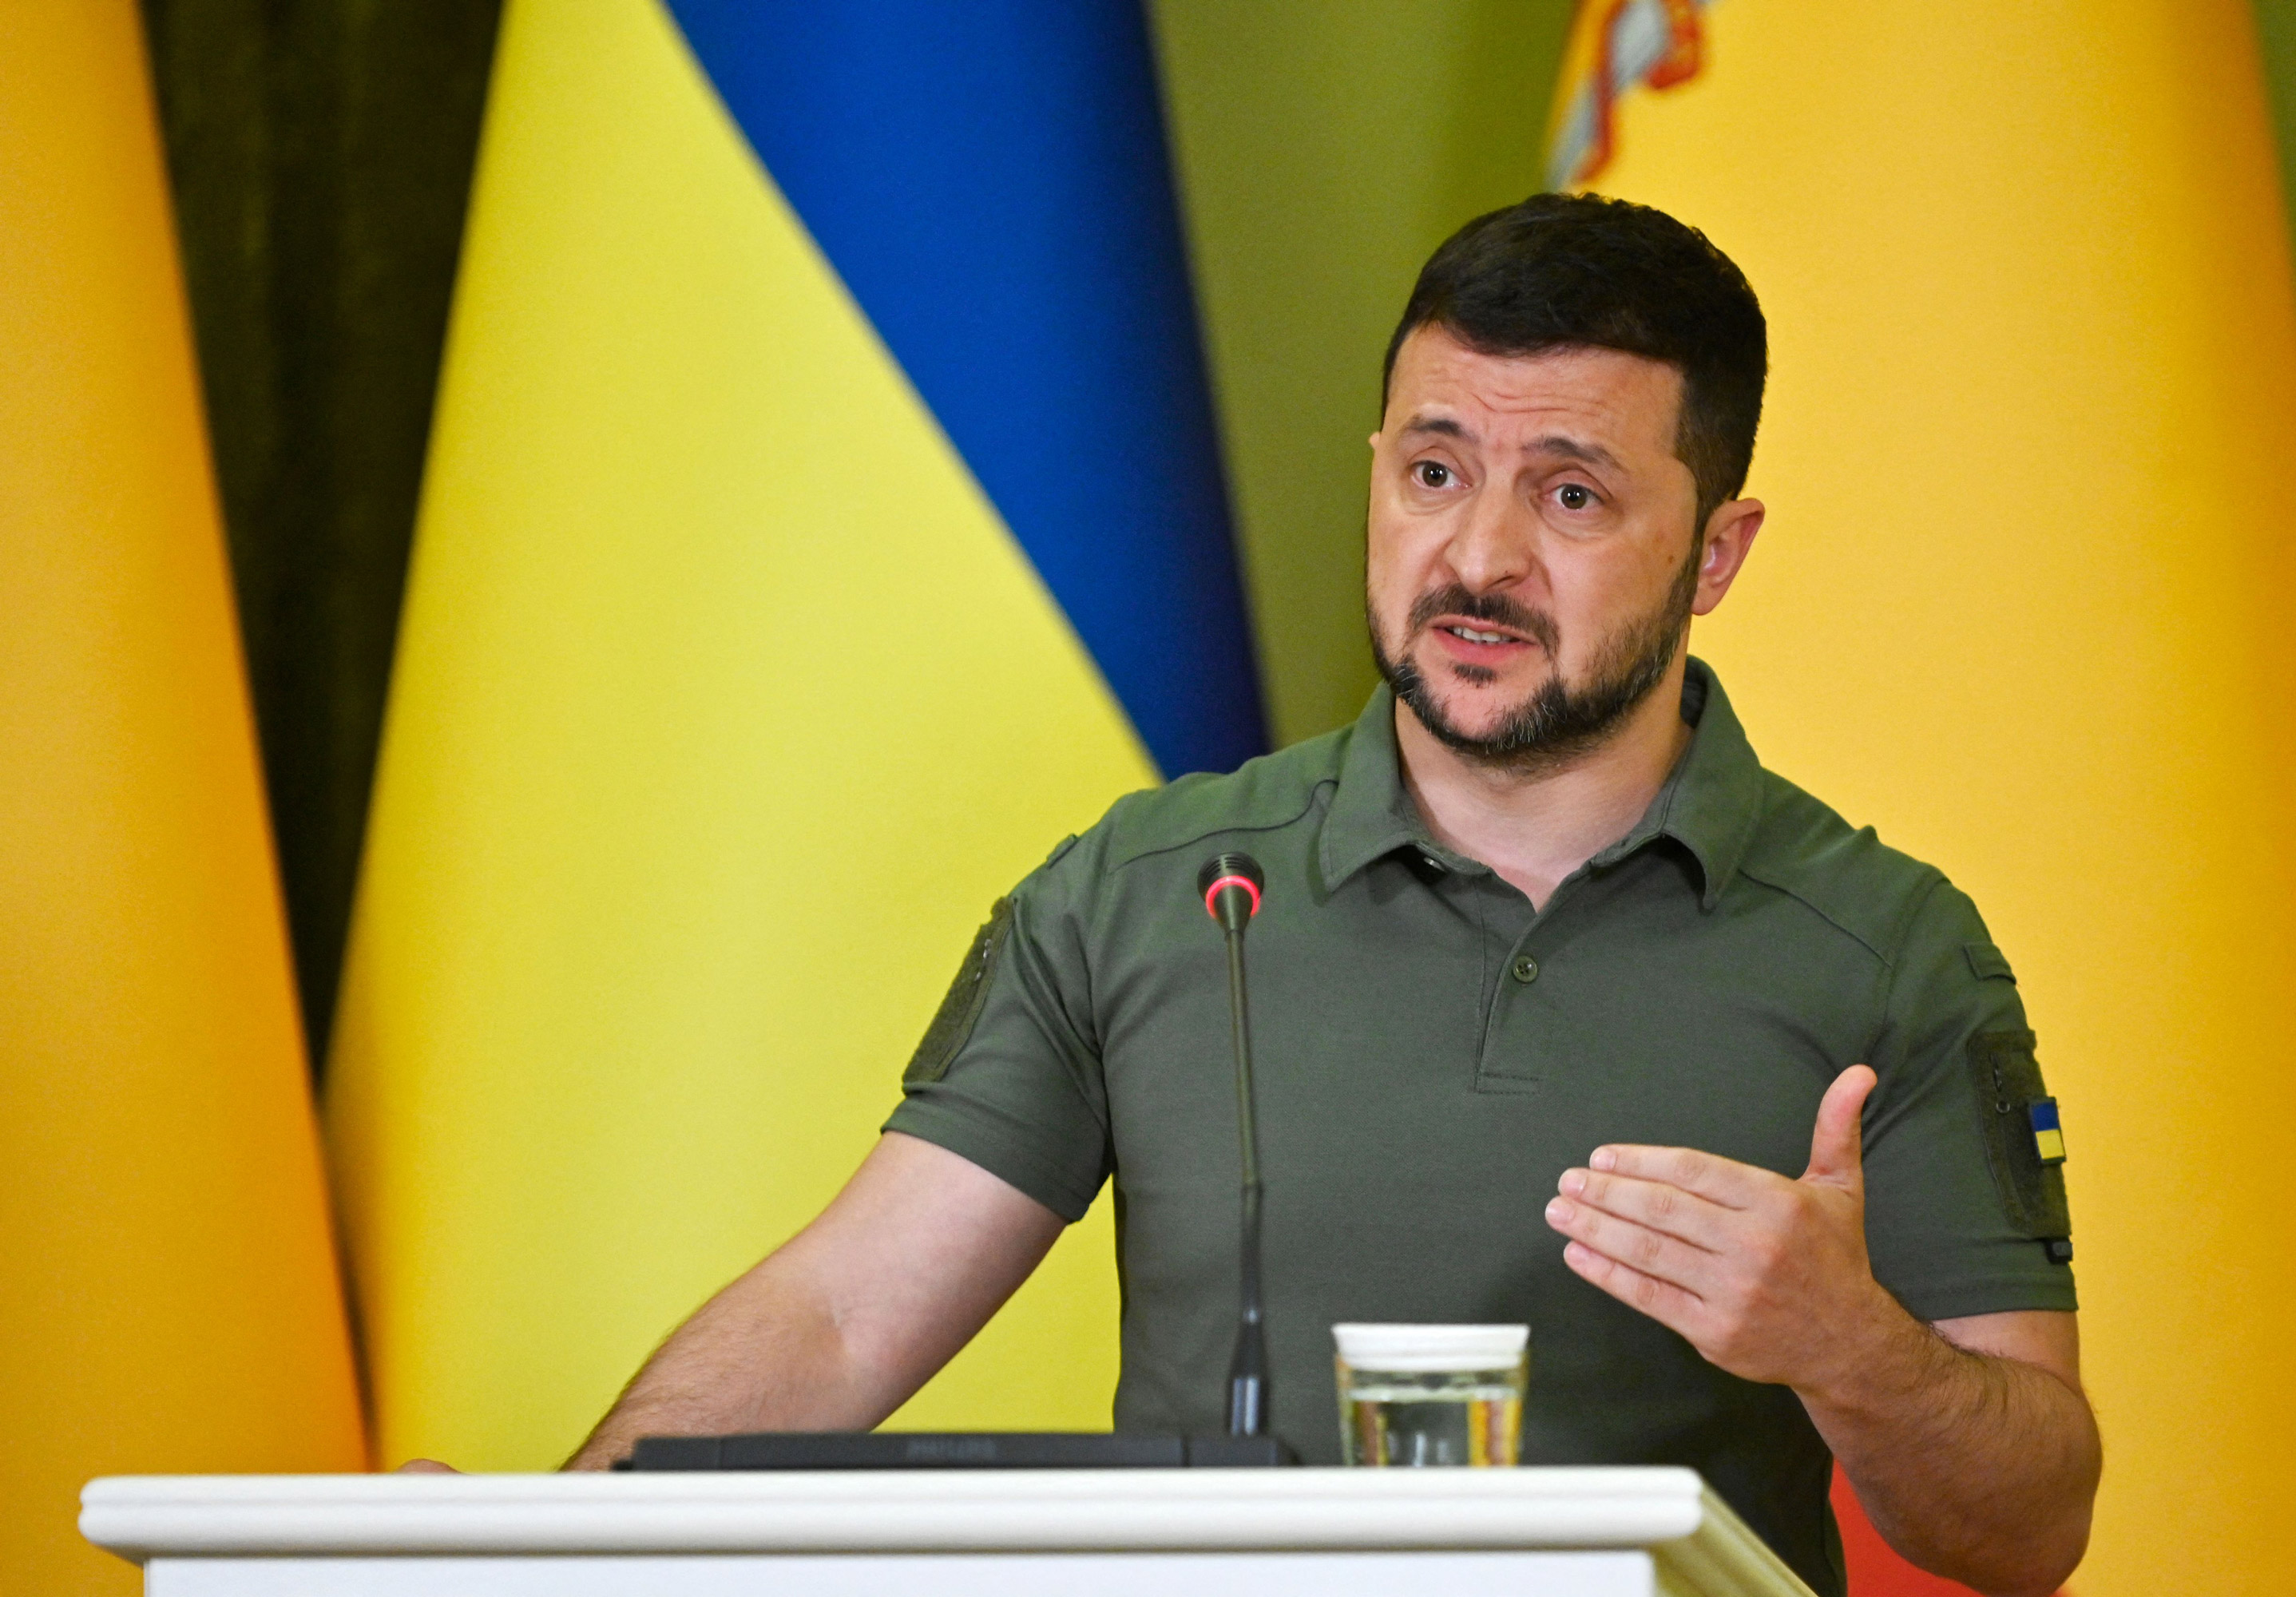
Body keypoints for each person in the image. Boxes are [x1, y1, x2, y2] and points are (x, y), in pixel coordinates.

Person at [540, 194, 2099, 1597]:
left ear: (1715, 553)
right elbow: (842, 1317)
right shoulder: (1148, 895)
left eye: (1570, 498)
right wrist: (540, 1545)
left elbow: (2028, 1531)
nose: (1477, 556)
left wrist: (1853, 1353)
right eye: (1435, 471)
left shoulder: (1893, 950)